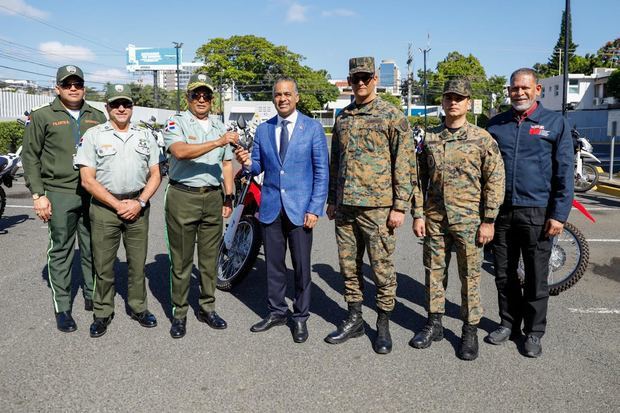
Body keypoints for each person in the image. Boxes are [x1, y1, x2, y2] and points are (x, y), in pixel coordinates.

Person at [324, 57, 417, 354]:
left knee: (382, 269)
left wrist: (400, 205)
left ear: (376, 78)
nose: (360, 83)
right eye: (355, 78)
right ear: (349, 81)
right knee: (348, 268)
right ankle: (354, 319)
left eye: (365, 77)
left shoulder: (392, 115)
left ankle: (383, 324)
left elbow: (404, 162)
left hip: (379, 208)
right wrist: (331, 198)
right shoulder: (343, 116)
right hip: (346, 207)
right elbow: (335, 161)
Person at [410, 79, 505, 361]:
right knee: (434, 273)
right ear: (442, 101)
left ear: (468, 103)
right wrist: (418, 214)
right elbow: (417, 179)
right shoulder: (430, 138)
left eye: (459, 98)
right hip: (435, 219)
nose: (453, 102)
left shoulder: (482, 138)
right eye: (449, 97)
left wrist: (488, 219)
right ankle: (434, 323)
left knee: (470, 277)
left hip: (470, 221)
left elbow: (495, 180)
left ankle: (469, 330)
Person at [486, 68, 574, 358]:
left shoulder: (554, 123)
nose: (519, 93)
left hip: (538, 212)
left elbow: (565, 173)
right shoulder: (496, 125)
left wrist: (559, 215)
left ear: (538, 90)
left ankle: (534, 332)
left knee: (537, 276)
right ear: (509, 90)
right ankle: (508, 324)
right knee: (504, 274)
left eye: (525, 88)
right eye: (514, 88)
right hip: (502, 213)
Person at [235, 77, 329, 343]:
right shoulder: (264, 130)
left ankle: (300, 317)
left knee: (301, 267)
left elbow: (322, 172)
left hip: (301, 210)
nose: (283, 98)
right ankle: (277, 311)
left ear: (297, 97)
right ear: (273, 98)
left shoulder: (312, 128)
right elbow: (257, 167)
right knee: (274, 266)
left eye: (288, 94)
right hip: (271, 208)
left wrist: (315, 208)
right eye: (278, 94)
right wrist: (245, 163)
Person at [22, 65, 106, 333]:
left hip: (92, 192)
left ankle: (93, 295)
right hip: (59, 192)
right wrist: (38, 195)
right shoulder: (43, 116)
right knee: (61, 250)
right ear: (57, 87)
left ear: (84, 87)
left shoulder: (97, 115)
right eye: (67, 84)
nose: (73, 88)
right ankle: (63, 307)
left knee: (93, 246)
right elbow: (30, 157)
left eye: (78, 83)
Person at [75, 84, 162, 338]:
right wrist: (117, 205)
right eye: (115, 104)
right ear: (107, 108)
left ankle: (138, 307)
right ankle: (102, 313)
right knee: (103, 265)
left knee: (137, 263)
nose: (121, 108)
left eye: (126, 104)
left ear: (132, 107)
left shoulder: (145, 135)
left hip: (138, 206)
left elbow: (156, 174)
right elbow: (87, 180)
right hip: (104, 209)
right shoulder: (93, 135)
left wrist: (140, 202)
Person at [164, 73, 239, 339]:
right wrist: (219, 142)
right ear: (188, 98)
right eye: (197, 94)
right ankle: (180, 313)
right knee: (182, 261)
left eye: (207, 95)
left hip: (212, 197)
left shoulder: (220, 125)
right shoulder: (177, 121)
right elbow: (181, 152)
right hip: (183, 195)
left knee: (209, 261)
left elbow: (227, 164)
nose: (202, 99)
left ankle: (207, 308)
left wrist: (228, 197)